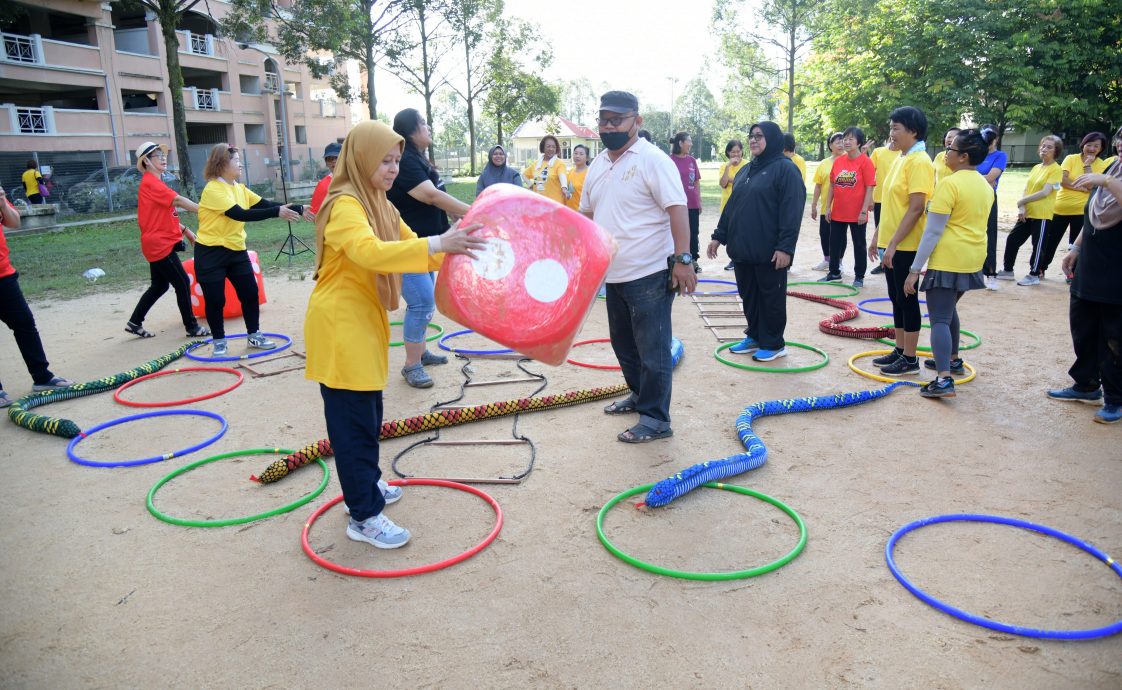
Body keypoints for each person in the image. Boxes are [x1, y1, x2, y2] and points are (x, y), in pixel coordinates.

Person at [306, 121, 487, 548]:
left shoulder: (381, 205)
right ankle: (363, 514)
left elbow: (414, 247)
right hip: (339, 323)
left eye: (395, 161)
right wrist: (440, 245)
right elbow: (369, 253)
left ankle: (366, 484)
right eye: (384, 161)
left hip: (362, 320)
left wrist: (466, 258)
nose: (391, 169)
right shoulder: (346, 203)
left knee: (368, 411)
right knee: (351, 422)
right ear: (362, 158)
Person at [580, 90, 696, 443]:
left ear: (637, 121)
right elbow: (586, 215)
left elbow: (677, 208)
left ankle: (656, 419)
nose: (609, 126)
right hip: (611, 273)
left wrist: (682, 259)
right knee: (624, 345)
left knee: (653, 348)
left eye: (617, 119)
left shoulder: (652, 159)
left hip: (650, 272)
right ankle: (638, 396)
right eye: (604, 119)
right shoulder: (598, 164)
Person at [196, 143, 309, 357]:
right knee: (215, 300)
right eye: (236, 161)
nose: (241, 165)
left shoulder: (238, 188)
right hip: (211, 253)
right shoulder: (213, 189)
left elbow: (262, 203)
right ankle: (219, 341)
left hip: (236, 250)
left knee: (249, 293)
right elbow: (240, 214)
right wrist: (277, 212)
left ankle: (254, 334)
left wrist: (299, 208)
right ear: (221, 164)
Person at [903, 129, 993, 398]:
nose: (945, 154)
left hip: (949, 258)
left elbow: (932, 232)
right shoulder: (984, 185)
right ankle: (952, 359)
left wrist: (914, 270)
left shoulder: (949, 184)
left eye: (951, 150)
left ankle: (943, 379)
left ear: (963, 156)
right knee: (949, 309)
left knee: (939, 318)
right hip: (973, 257)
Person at [387, 108, 471, 388]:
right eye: (423, 123)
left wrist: (454, 217)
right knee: (422, 302)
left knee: (424, 301)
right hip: (411, 246)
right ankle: (411, 366)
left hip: (430, 244)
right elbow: (432, 196)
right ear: (410, 130)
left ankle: (420, 353)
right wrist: (474, 212)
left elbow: (437, 197)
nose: (428, 126)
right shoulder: (408, 161)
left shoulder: (419, 160)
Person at [709, 121, 805, 362]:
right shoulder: (746, 169)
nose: (753, 140)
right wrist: (718, 236)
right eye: (751, 136)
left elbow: (792, 211)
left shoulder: (786, 169)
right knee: (749, 295)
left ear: (772, 139)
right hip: (743, 249)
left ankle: (773, 343)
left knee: (770, 298)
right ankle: (754, 335)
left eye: (759, 136)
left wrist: (785, 247)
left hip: (770, 251)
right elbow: (732, 207)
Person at [1049, 125, 1122, 424]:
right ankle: (1086, 384)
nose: (1121, 144)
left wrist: (1104, 180)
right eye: (1121, 138)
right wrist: (1076, 248)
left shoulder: (1108, 174)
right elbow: (1093, 211)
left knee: (1114, 337)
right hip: (1091, 263)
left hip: (1116, 272)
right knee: (1083, 325)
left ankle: (1116, 398)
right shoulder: (1115, 168)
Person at [868, 106, 935, 376]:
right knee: (895, 297)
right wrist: (878, 237)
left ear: (913, 131)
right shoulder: (901, 158)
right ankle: (899, 349)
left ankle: (910, 359)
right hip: (891, 241)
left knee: (907, 299)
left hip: (906, 245)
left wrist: (894, 243)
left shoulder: (920, 162)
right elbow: (891, 204)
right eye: (891, 127)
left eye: (896, 128)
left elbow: (916, 208)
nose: (891, 133)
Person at [124, 142, 210, 339]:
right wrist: (208, 210)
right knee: (181, 283)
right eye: (157, 156)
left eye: (163, 155)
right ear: (146, 161)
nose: (163, 158)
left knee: (160, 285)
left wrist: (186, 230)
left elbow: (162, 216)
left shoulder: (155, 183)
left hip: (155, 241)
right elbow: (178, 201)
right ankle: (192, 327)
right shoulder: (151, 183)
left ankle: (135, 322)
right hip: (159, 245)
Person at [0, 183, 73, 407]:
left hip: (4, 275)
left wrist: (2, 200)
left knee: (25, 324)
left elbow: (14, 222)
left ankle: (42, 377)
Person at [997, 135, 1063, 285]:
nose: (1044, 149)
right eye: (1043, 146)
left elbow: (1045, 192)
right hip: (1027, 212)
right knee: (1013, 239)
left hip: (1042, 214)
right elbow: (1026, 189)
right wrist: (1021, 207)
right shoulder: (1036, 168)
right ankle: (1008, 270)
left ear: (1056, 151)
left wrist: (1022, 201)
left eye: (1049, 147)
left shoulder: (1056, 169)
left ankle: (1034, 275)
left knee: (1038, 245)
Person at [1049, 131, 1109, 283]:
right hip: (1061, 208)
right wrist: (1080, 187)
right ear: (1083, 145)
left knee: (1075, 246)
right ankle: (1040, 268)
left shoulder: (1102, 165)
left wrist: (1087, 166)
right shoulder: (1071, 158)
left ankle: (1072, 274)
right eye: (1089, 145)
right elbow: (1062, 179)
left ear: (1101, 148)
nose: (1092, 149)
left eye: (1096, 146)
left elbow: (1091, 186)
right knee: (1050, 241)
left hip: (1082, 211)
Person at [823, 126, 876, 287]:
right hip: (838, 211)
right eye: (844, 139)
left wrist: (863, 211)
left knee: (859, 244)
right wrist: (827, 207)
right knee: (834, 242)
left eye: (850, 139)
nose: (846, 142)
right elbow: (832, 185)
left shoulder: (866, 162)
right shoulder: (838, 161)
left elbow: (869, 187)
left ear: (859, 142)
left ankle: (859, 276)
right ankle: (834, 273)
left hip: (857, 213)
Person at [977, 125, 1008, 289]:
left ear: (997, 138)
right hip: (971, 196)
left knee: (990, 234)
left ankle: (990, 273)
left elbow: (991, 176)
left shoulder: (1000, 156)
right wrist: (983, 178)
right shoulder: (976, 153)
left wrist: (977, 176)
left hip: (988, 197)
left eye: (991, 136)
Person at [810, 133, 844, 271]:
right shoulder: (824, 163)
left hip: (842, 207)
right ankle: (827, 259)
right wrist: (813, 205)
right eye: (837, 142)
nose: (841, 144)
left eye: (843, 141)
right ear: (830, 145)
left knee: (840, 236)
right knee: (824, 233)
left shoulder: (848, 161)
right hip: (826, 206)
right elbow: (818, 185)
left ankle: (839, 263)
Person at [670, 131, 702, 271]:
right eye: (688, 141)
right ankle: (675, 259)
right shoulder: (669, 160)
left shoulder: (692, 160)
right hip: (676, 204)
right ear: (680, 143)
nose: (691, 143)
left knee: (693, 232)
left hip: (692, 203)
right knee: (675, 232)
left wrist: (698, 201)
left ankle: (693, 260)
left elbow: (696, 182)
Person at [867, 139, 899, 275]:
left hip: (897, 200)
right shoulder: (878, 152)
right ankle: (883, 263)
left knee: (897, 229)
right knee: (880, 231)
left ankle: (896, 260)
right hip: (880, 198)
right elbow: (868, 172)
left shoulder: (904, 154)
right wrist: (870, 198)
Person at [719, 139, 746, 271]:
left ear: (742, 151)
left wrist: (733, 180)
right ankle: (733, 259)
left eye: (738, 151)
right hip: (727, 204)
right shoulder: (725, 166)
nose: (736, 154)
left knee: (742, 231)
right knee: (730, 233)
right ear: (728, 153)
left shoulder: (748, 165)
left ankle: (738, 259)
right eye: (733, 152)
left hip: (743, 204)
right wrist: (728, 167)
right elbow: (723, 183)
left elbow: (745, 182)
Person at [522, 134, 570, 205]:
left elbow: (562, 175)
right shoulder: (536, 164)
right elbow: (524, 175)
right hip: (539, 205)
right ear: (543, 148)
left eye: (553, 147)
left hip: (555, 206)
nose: (551, 149)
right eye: (548, 146)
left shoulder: (559, 163)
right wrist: (530, 185)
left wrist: (564, 187)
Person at [309, 141, 341, 215]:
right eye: (329, 158)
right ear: (326, 163)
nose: (334, 161)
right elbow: (315, 214)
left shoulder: (354, 180)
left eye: (337, 157)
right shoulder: (322, 185)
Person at [566, 144, 590, 211]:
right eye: (575, 153)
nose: (577, 156)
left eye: (581, 154)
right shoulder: (570, 172)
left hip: (583, 213)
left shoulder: (590, 173)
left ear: (587, 158)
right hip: (569, 212)